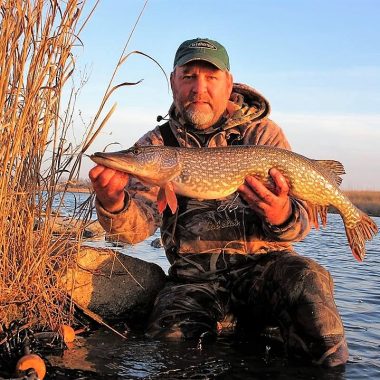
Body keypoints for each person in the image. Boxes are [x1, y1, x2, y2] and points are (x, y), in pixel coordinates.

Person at [89, 38, 349, 367]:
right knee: (172, 353)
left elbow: (299, 227)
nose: (199, 88)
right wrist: (113, 202)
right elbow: (133, 232)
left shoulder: (263, 136)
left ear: (228, 83)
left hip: (264, 273)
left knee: (311, 289)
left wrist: (281, 213)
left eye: (211, 78)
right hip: (192, 283)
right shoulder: (157, 144)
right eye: (188, 77)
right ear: (172, 82)